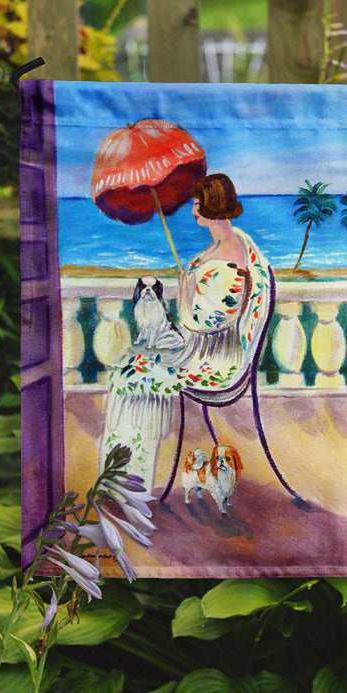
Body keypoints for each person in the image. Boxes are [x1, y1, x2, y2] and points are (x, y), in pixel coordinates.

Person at [99, 173, 272, 490]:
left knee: (131, 376)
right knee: (129, 363)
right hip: (196, 345)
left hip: (212, 357)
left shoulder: (229, 261)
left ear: (213, 205)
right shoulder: (221, 247)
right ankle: (124, 475)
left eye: (197, 204)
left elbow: (210, 321)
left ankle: (129, 481)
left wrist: (184, 299)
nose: (192, 210)